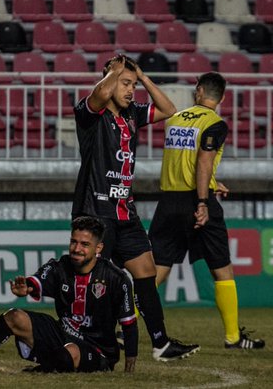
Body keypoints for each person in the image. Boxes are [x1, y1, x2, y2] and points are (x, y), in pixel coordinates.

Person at [72, 54, 199, 362]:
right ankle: (82, 341)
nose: (130, 90)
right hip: (96, 213)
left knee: (146, 273)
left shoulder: (133, 114)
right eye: (125, 84)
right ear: (110, 80)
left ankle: (161, 344)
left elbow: (169, 110)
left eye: (133, 85)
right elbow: (100, 95)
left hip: (125, 212)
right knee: (92, 281)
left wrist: (142, 77)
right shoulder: (90, 113)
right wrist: (115, 72)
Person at [0, 216, 139, 374]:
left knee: (70, 353)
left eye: (84, 244)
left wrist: (129, 366)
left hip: (96, 351)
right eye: (73, 241)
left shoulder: (116, 279)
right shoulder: (61, 266)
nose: (76, 248)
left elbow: (129, 324)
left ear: (98, 248)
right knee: (14, 316)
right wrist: (27, 287)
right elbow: (37, 280)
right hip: (63, 334)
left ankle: (28, 372)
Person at [148, 72, 265, 350]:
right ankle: (233, 338)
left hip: (168, 202)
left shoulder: (174, 119)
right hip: (197, 201)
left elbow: (185, 162)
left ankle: (122, 325)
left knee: (155, 271)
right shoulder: (215, 124)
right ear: (222, 97)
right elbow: (202, 163)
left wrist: (213, 182)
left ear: (198, 91)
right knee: (222, 271)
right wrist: (203, 201)